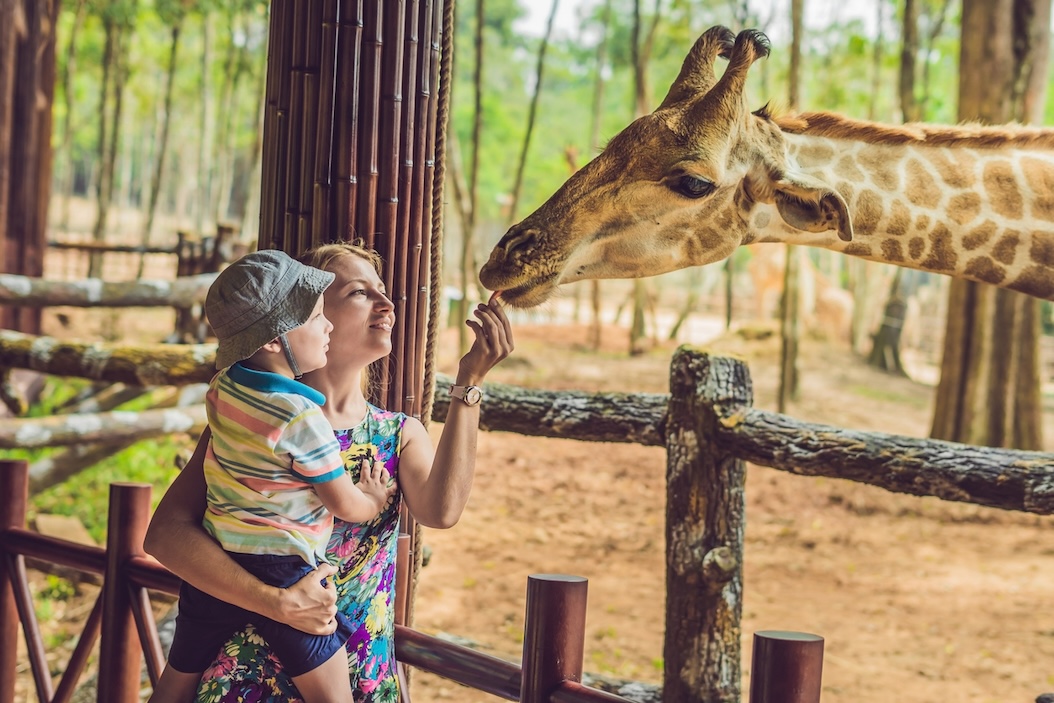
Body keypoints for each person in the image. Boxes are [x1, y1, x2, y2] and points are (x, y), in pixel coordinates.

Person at [144, 241, 514, 703]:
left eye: (382, 291)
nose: (386, 304)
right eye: (360, 293)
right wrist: (276, 603)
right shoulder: (255, 424)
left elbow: (441, 511)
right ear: (306, 314)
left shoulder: (397, 434)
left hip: (358, 671)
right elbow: (164, 537)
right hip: (245, 677)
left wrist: (470, 383)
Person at [150, 250, 397, 703]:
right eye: (319, 316)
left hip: (219, 559)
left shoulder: (223, 389)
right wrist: (374, 497)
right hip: (286, 569)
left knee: (173, 685)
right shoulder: (303, 416)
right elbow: (345, 504)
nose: (327, 327)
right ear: (272, 339)